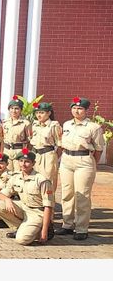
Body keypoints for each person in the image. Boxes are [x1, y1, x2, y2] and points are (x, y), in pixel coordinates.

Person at [55, 97, 105, 241]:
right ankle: (67, 224)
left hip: (84, 160)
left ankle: (81, 228)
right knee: (67, 193)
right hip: (66, 160)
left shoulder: (93, 127)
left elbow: (98, 149)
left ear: (86, 110)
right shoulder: (66, 124)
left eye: (80, 108)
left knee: (82, 195)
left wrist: (91, 163)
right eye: (74, 108)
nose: (76, 111)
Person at [0, 149, 55, 245]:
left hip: (37, 212)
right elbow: (1, 194)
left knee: (22, 240)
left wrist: (44, 231)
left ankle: (45, 230)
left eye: (27, 162)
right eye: (21, 161)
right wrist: (7, 199)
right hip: (24, 207)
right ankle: (22, 228)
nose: (23, 164)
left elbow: (48, 207)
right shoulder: (16, 177)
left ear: (33, 163)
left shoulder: (42, 180)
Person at [31, 101, 61, 190]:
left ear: (49, 113)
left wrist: (54, 157)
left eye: (42, 113)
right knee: (35, 179)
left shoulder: (54, 125)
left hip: (48, 155)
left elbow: (60, 144)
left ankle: (49, 202)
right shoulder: (35, 125)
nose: (39, 115)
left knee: (48, 180)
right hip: (35, 155)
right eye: (37, 113)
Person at [2, 96, 31, 172]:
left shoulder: (26, 123)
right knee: (7, 173)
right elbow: (2, 139)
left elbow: (29, 140)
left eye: (16, 109)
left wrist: (26, 154)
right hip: (7, 151)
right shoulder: (5, 122)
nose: (14, 111)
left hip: (19, 151)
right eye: (11, 108)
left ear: (21, 110)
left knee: (19, 173)